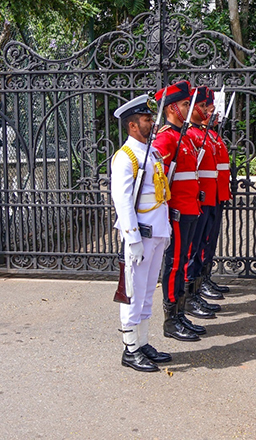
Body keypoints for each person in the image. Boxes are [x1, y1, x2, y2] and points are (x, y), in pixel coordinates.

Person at [112, 94, 172, 372]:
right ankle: (130, 349)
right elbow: (123, 201)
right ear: (133, 125)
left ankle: (143, 342)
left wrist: (165, 230)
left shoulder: (152, 152)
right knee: (133, 293)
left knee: (148, 291)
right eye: (147, 119)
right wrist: (132, 238)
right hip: (140, 235)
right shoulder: (125, 157)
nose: (152, 123)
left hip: (157, 232)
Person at [152, 81, 207, 342]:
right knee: (175, 264)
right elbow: (158, 181)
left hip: (190, 208)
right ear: (172, 108)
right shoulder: (166, 138)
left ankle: (180, 313)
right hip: (177, 211)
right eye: (185, 104)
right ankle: (171, 320)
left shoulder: (183, 137)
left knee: (183, 261)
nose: (189, 108)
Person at [185, 86, 225, 308]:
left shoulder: (206, 134)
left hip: (213, 195)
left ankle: (202, 281)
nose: (210, 112)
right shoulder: (191, 134)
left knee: (207, 242)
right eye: (204, 106)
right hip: (199, 198)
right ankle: (192, 291)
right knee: (195, 247)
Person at [197, 88, 231, 297]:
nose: (214, 114)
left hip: (217, 194)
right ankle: (198, 283)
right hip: (204, 196)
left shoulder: (211, 135)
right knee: (203, 241)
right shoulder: (198, 135)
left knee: (211, 240)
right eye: (209, 110)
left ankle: (205, 277)